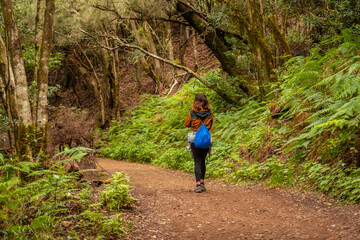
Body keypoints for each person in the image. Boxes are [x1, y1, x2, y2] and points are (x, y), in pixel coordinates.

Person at [185, 93, 213, 193]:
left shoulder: (192, 112)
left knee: (197, 161)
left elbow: (187, 124)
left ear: (196, 101)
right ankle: (202, 183)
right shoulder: (209, 112)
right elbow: (210, 125)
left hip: (195, 139)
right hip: (205, 138)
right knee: (203, 160)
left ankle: (197, 185)